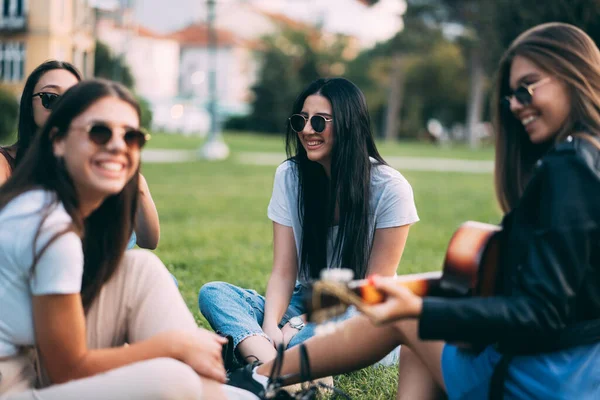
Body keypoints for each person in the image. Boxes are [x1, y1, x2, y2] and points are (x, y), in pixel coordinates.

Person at [228, 22, 600, 400]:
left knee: (410, 319)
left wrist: (426, 309)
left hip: (553, 378)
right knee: (414, 328)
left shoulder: (570, 167)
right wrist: (419, 292)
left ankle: (259, 379)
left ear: (573, 75)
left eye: (526, 88)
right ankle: (264, 377)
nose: (516, 104)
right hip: (571, 370)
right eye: (510, 96)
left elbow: (540, 314)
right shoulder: (585, 159)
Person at [0, 79, 256, 400]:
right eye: (99, 132)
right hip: (12, 386)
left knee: (139, 267)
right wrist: (171, 346)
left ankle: (221, 389)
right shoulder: (48, 228)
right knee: (173, 381)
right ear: (58, 140)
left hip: (34, 361)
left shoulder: (55, 206)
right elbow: (67, 368)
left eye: (131, 136)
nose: (118, 146)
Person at [199, 77, 419, 367]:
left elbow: (372, 289)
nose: (305, 130)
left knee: (350, 326)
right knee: (214, 293)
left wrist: (298, 324)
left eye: (319, 122)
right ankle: (275, 368)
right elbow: (283, 272)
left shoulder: (390, 188)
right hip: (305, 300)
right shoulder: (290, 176)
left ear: (349, 124)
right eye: (300, 120)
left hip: (361, 309)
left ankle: (254, 357)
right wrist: (270, 328)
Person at [0, 60, 159, 250]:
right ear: (29, 104)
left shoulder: (93, 165)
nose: (63, 109)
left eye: (73, 100)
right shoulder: (5, 163)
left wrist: (138, 186)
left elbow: (149, 241)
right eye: (51, 98)